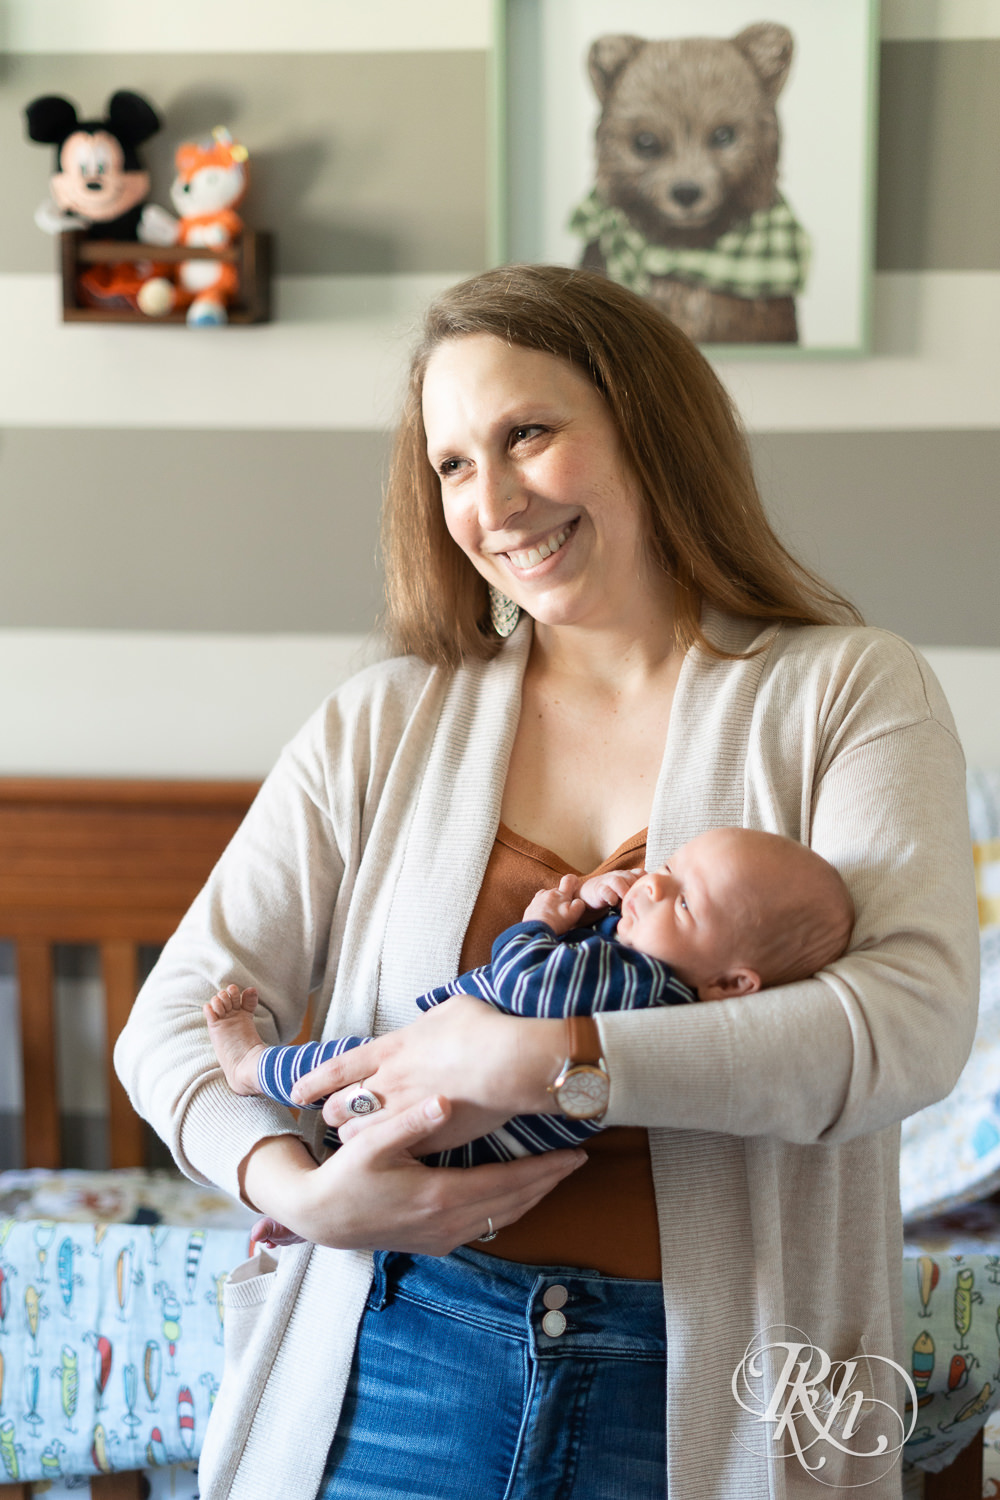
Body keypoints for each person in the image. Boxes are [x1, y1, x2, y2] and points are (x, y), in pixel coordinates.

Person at [114, 264, 979, 1500]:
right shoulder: (383, 724)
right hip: (397, 1368)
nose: (494, 501)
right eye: (454, 464)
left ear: (646, 428)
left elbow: (911, 1026)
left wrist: (546, 1062)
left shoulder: (845, 690)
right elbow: (173, 1022)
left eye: (527, 434)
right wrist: (300, 1193)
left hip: (716, 1397)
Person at [204, 827, 855, 1172]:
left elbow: (525, 985)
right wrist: (614, 906)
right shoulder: (662, 980)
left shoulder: (647, 985)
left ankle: (252, 1067)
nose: (652, 887)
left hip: (445, 1133)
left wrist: (540, 924)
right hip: (445, 1142)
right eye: (669, 868)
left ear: (733, 984)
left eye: (683, 900)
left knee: (337, 1063)